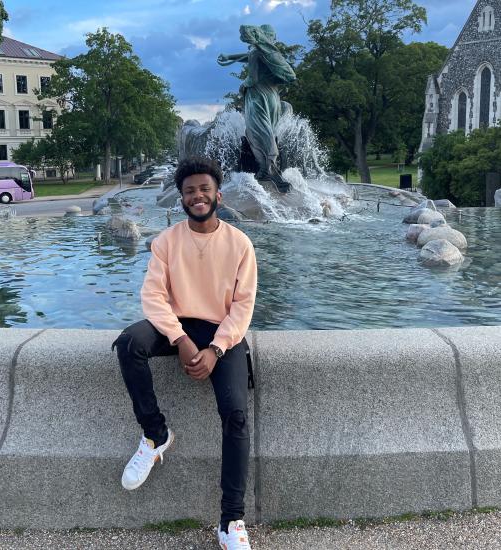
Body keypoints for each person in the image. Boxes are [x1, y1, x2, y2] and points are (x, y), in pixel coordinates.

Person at [113, 157, 257, 550]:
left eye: (204, 189)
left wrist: (215, 348)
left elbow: (242, 308)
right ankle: (156, 434)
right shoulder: (166, 242)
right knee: (129, 344)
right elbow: (153, 298)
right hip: (175, 327)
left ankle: (231, 520)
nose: (197, 196)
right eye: (190, 191)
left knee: (237, 415)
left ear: (217, 195)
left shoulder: (240, 244)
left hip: (221, 333)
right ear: (182, 198)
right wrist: (180, 340)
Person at [218, 24, 296, 192]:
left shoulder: (257, 51)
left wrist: (242, 86)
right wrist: (231, 56)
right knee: (271, 131)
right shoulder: (270, 52)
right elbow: (252, 56)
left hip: (257, 98)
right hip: (272, 98)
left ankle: (268, 170)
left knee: (260, 131)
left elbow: (252, 79)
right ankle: (270, 168)